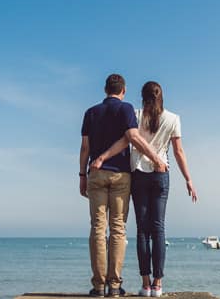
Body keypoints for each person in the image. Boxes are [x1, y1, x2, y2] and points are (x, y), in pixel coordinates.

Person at [91, 81, 197, 298]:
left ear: (142, 96)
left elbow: (125, 141)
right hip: (161, 174)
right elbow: (178, 152)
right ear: (162, 97)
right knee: (158, 228)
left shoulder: (136, 115)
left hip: (137, 173)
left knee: (142, 229)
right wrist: (188, 179)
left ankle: (146, 284)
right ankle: (158, 285)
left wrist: (102, 157)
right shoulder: (173, 118)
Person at [80, 74, 167, 297]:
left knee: (98, 229)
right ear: (124, 91)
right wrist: (156, 158)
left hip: (96, 174)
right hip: (120, 176)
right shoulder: (126, 109)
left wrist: (82, 175)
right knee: (118, 228)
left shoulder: (91, 112)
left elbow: (85, 148)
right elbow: (132, 137)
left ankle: (99, 286)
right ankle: (115, 286)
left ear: (105, 89)